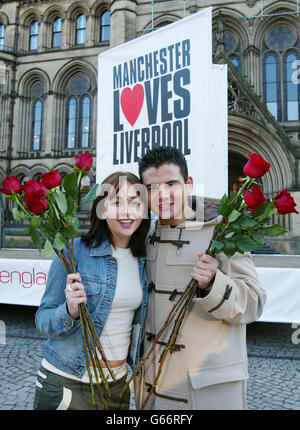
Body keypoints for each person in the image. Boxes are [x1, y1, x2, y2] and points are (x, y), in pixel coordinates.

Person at [137, 147, 267, 410]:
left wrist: (213, 285)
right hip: (153, 389)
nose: (162, 195)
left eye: (171, 184)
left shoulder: (224, 231)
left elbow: (255, 302)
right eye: (151, 187)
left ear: (189, 184)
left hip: (205, 393)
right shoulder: (143, 236)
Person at [33, 171, 150, 410]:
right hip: (67, 382)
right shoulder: (73, 252)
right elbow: (42, 320)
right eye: (116, 202)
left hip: (117, 385)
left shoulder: (144, 260)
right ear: (102, 209)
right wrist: (69, 311)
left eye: (135, 203)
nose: (127, 212)